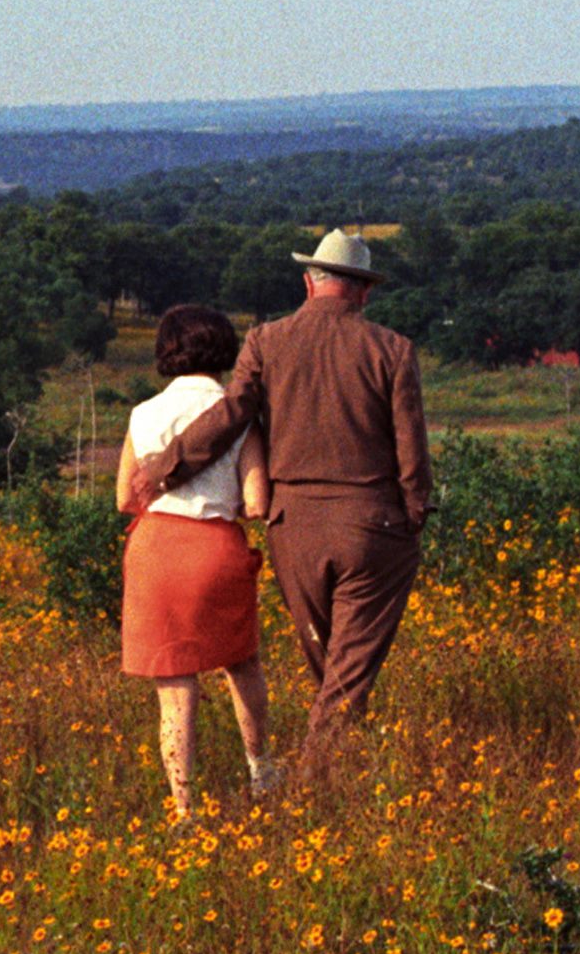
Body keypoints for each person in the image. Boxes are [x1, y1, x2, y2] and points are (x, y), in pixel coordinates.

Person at [126, 228, 430, 768]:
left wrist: (166, 468)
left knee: (329, 662)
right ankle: (318, 781)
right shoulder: (393, 349)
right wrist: (411, 514)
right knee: (349, 667)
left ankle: (336, 770)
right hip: (373, 526)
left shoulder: (267, 341)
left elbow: (229, 416)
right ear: (362, 291)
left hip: (295, 530)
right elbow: (412, 448)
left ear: (308, 283)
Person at [115, 304, 280, 818]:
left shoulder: (142, 414)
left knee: (175, 685)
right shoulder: (238, 416)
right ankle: (262, 772)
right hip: (216, 549)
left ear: (167, 351)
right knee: (242, 662)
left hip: (157, 551)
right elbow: (256, 501)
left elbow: (125, 497)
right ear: (224, 350)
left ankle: (184, 812)